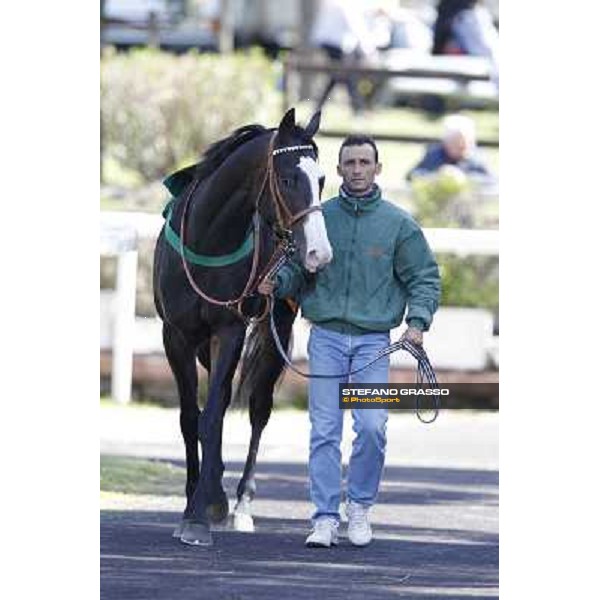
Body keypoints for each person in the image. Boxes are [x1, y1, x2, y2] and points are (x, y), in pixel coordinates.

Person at [258, 135, 440, 548]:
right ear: (337, 170)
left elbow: (425, 278)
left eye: (364, 162)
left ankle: (358, 508)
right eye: (349, 163)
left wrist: (418, 323)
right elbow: (298, 270)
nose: (357, 169)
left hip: (375, 343)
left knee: (372, 428)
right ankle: (324, 518)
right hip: (326, 339)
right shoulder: (319, 218)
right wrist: (278, 282)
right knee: (324, 431)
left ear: (377, 168)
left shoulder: (398, 224)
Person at [310, 0, 381, 114]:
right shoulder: (346, 4)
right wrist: (369, 50)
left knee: (336, 76)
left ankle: (318, 107)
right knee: (347, 75)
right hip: (334, 44)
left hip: (328, 43)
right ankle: (358, 109)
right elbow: (356, 27)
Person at [406, 114, 493, 183]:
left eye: (465, 143)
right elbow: (411, 176)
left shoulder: (475, 158)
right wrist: (436, 177)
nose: (460, 147)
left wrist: (464, 178)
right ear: (446, 142)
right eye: (455, 142)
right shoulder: (434, 155)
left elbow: (491, 182)